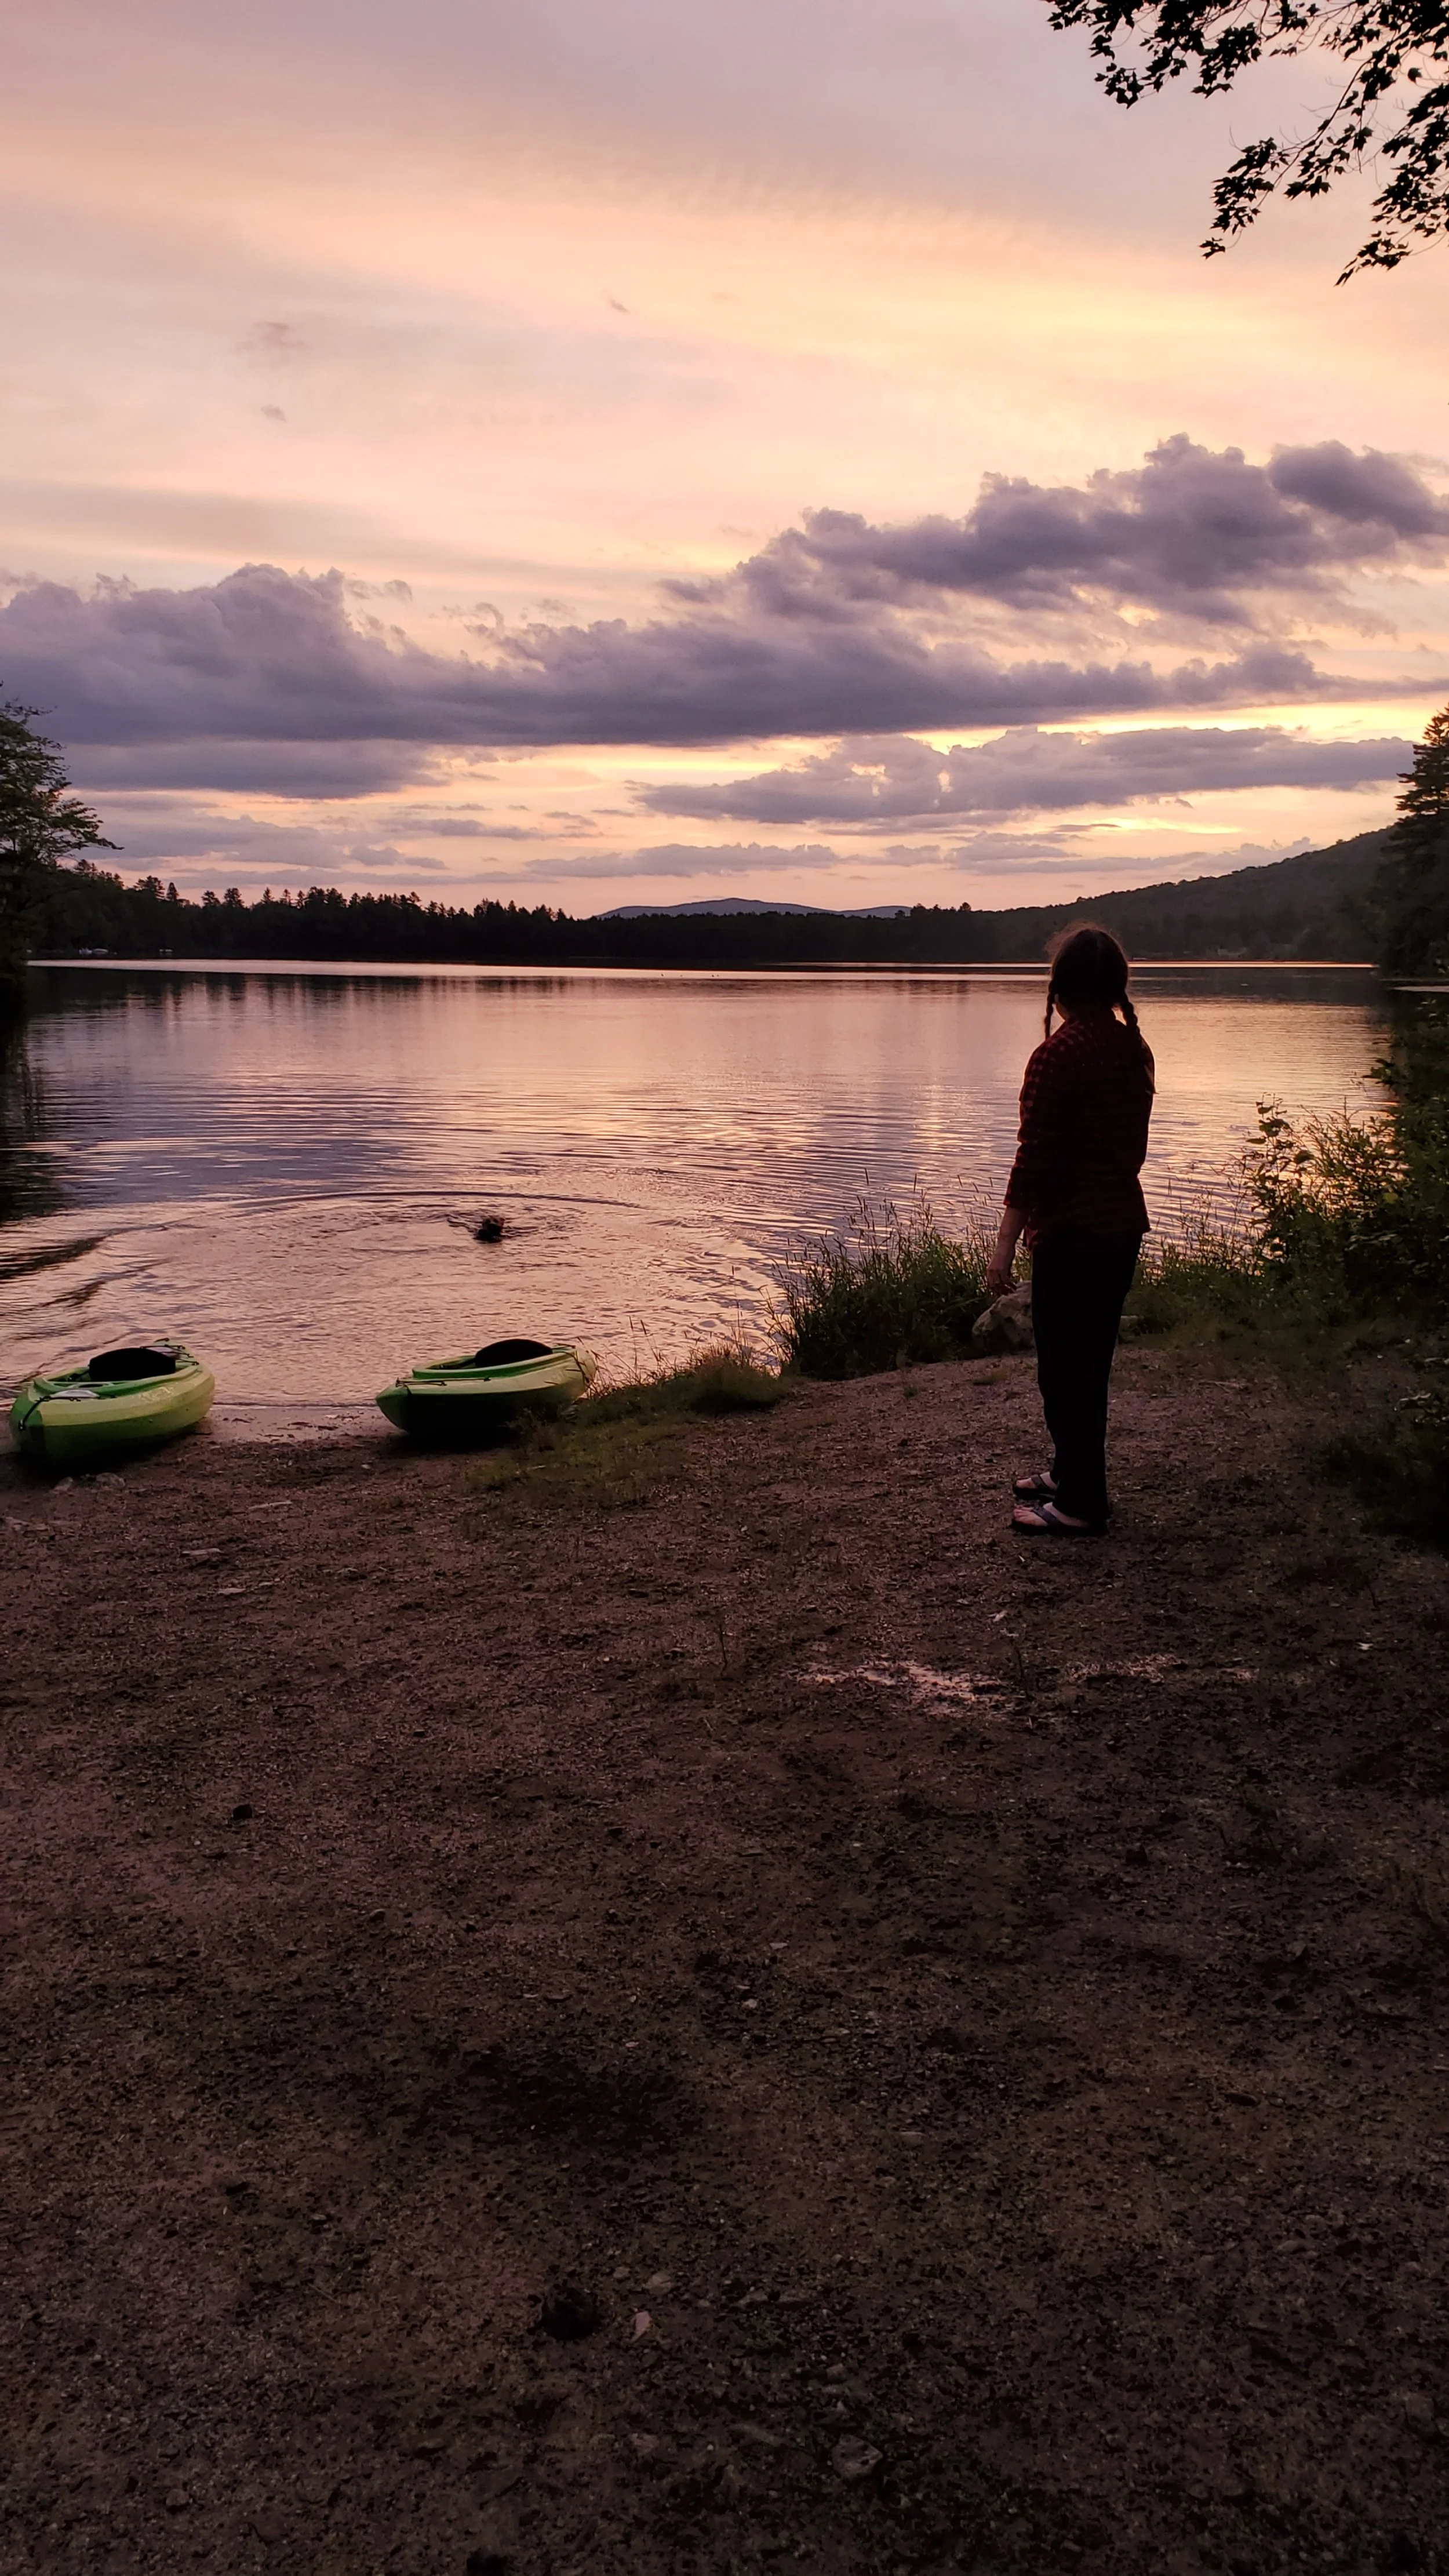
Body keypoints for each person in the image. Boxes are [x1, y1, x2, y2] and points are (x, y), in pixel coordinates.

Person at [985, 925, 1155, 1536]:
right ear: (1115, 987)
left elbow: (1035, 1157)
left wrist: (1004, 1239)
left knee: (1064, 1368)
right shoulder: (1133, 1049)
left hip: (1072, 1233)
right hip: (1120, 1226)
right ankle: (1068, 1471)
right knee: (1088, 1363)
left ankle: (1082, 1503)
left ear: (1059, 988)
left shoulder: (1056, 1055)